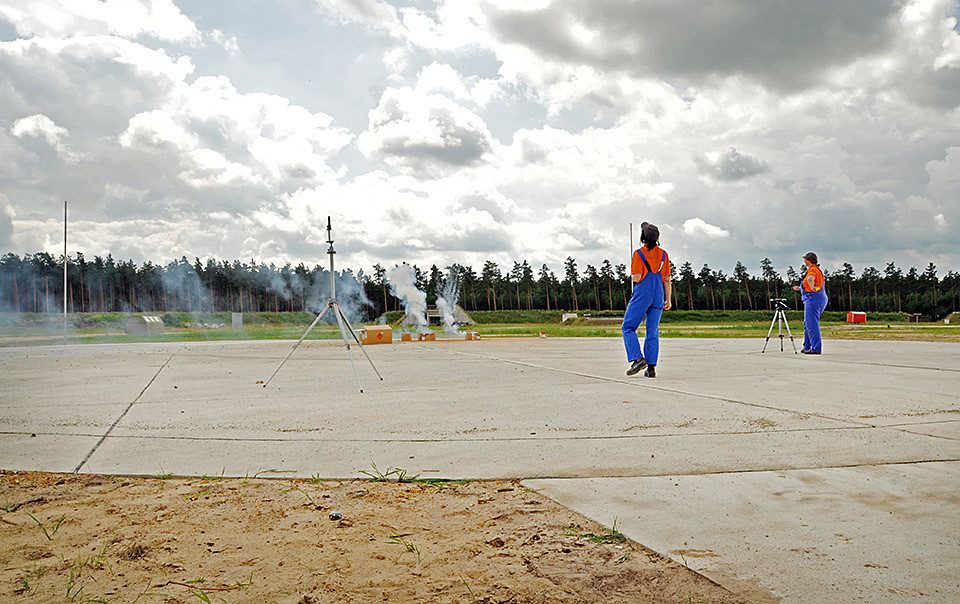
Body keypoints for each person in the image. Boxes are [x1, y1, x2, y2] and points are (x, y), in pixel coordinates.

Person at [622, 222, 672, 377]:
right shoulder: (664, 254)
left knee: (628, 327)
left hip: (643, 294)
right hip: (658, 295)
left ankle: (637, 359)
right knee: (652, 331)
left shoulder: (638, 254)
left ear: (642, 237)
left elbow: (636, 277)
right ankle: (651, 369)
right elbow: (667, 279)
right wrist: (668, 299)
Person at [793, 251, 828, 354]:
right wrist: (801, 288)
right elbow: (813, 283)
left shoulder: (812, 270)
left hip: (813, 299)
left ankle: (816, 348)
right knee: (808, 323)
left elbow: (810, 279)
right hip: (820, 298)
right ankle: (807, 346)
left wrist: (812, 287)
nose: (804, 261)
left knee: (812, 324)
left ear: (810, 260)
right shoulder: (818, 270)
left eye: (806, 259)